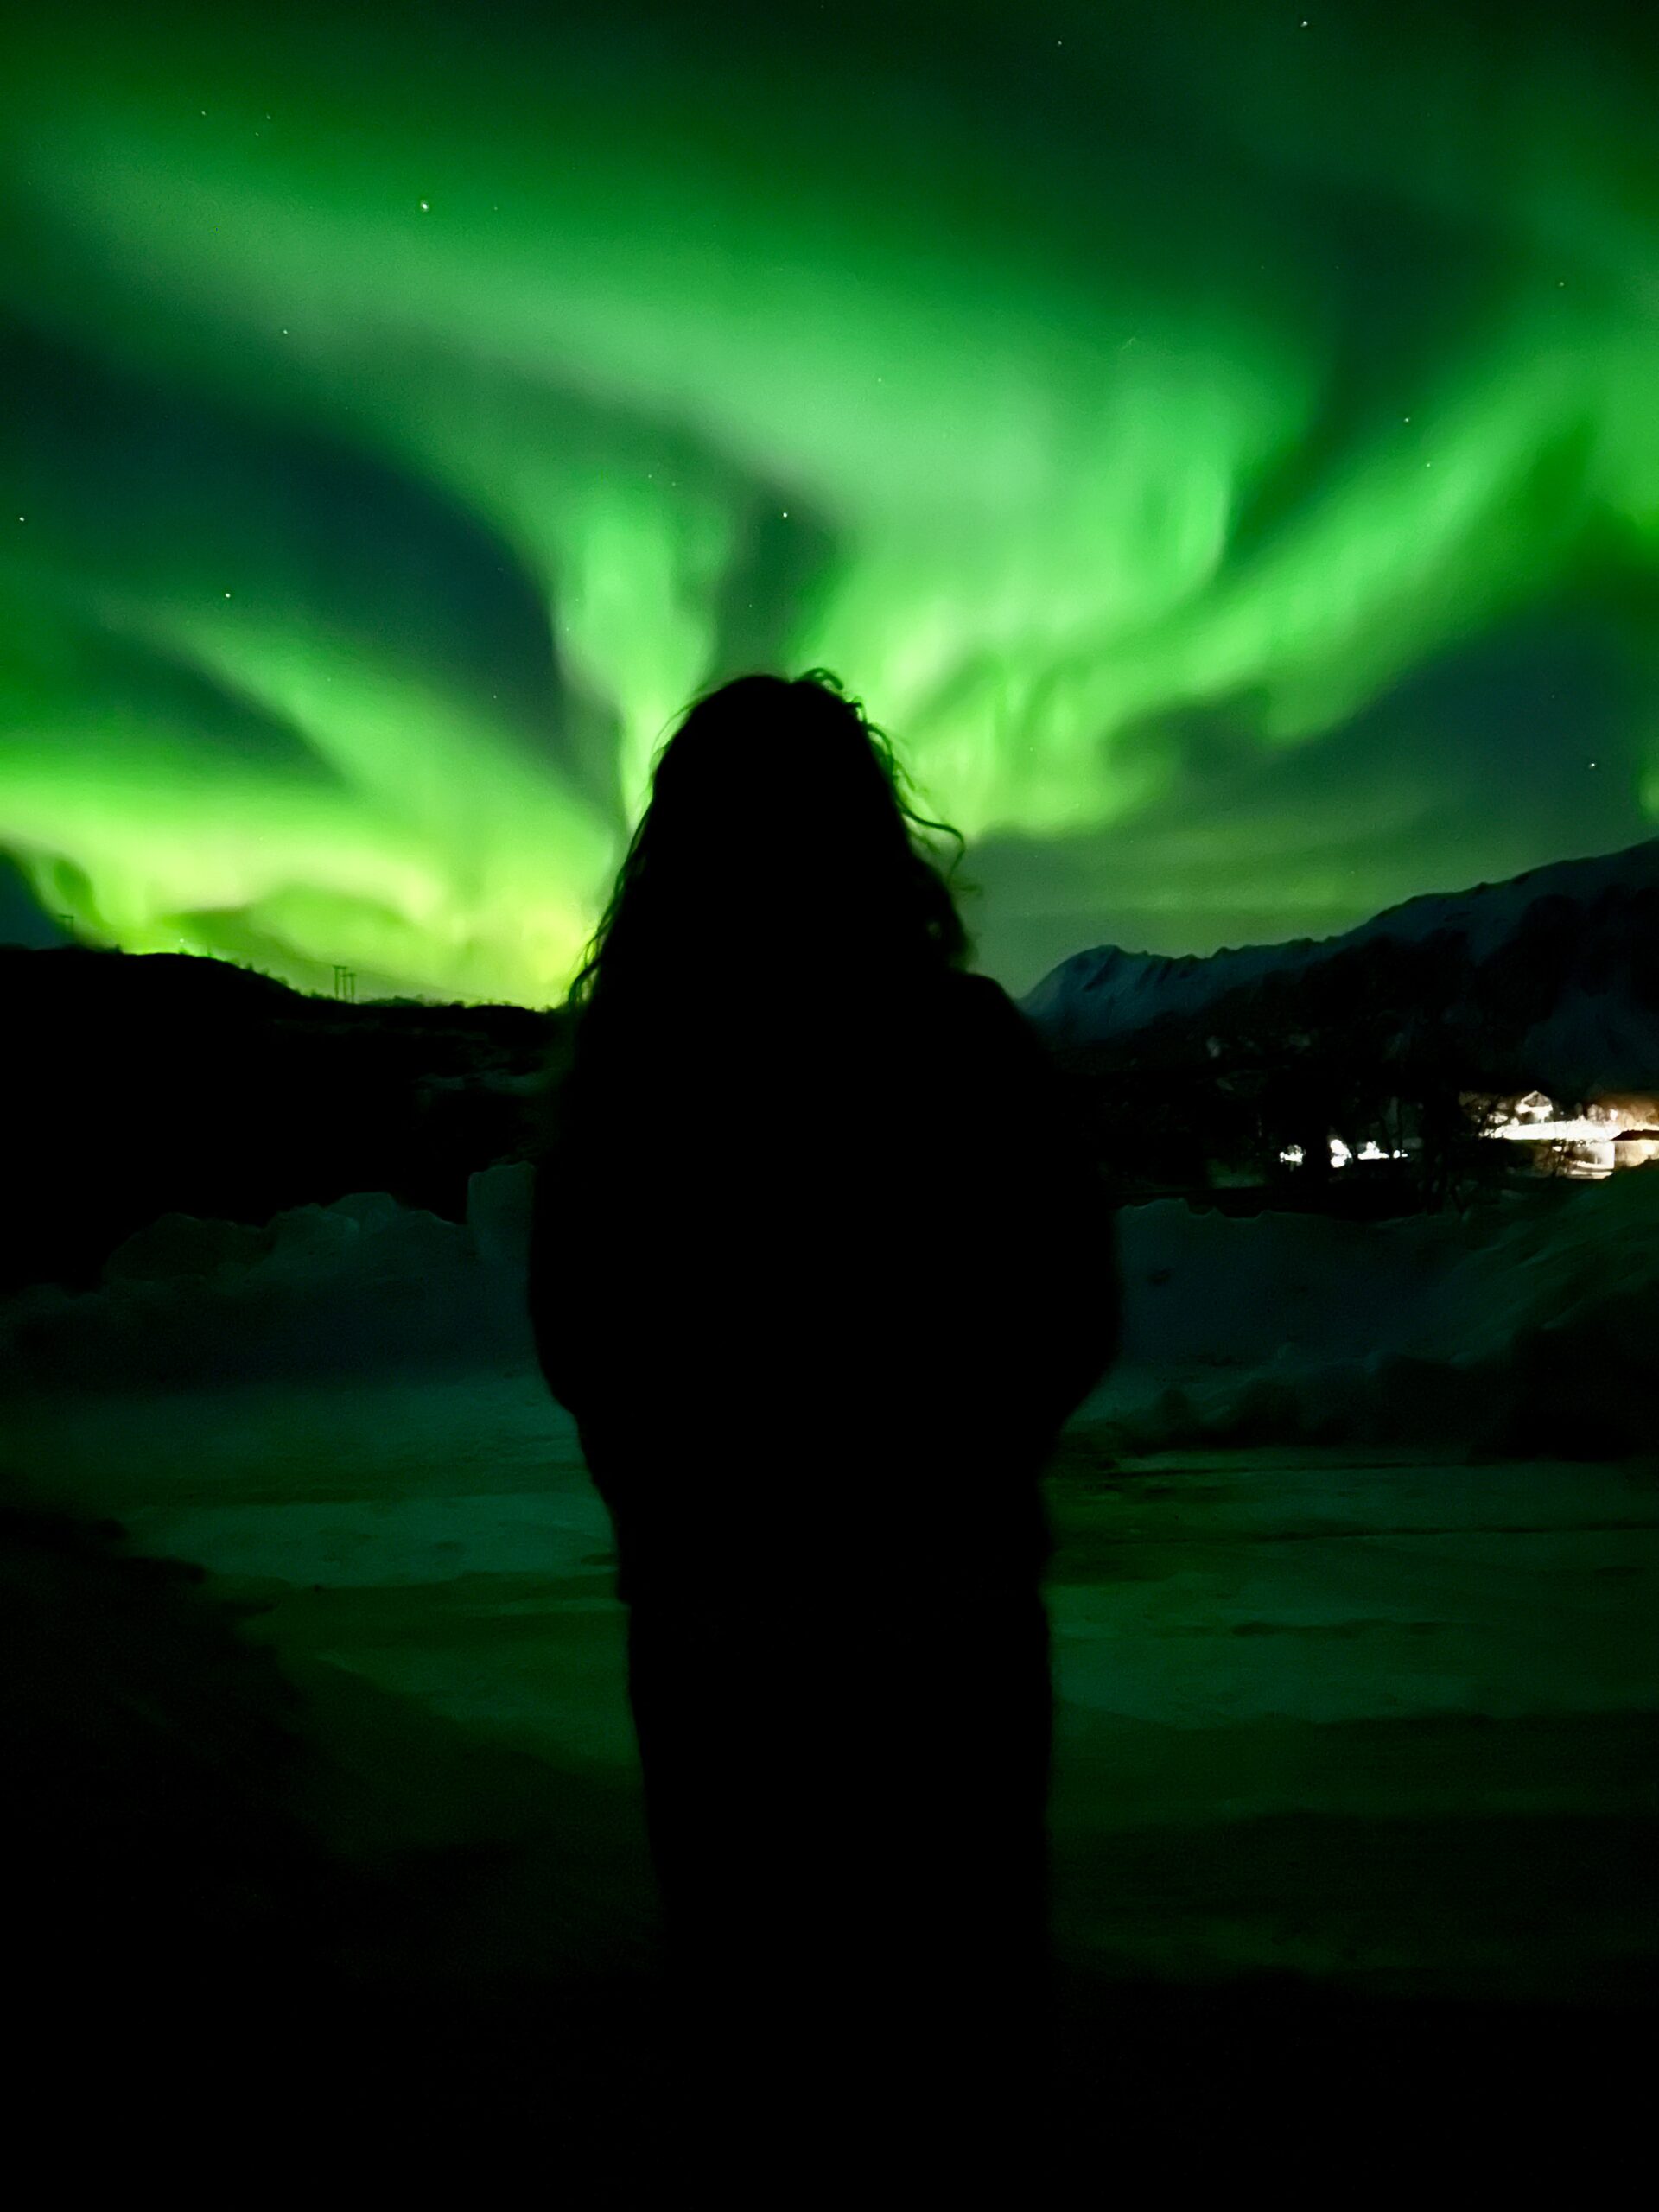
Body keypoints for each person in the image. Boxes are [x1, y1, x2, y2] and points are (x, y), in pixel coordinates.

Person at [526, 671, 1117, 2189]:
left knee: (759, 2030)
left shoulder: (636, 1081)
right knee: (954, 2034)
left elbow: (582, 1334)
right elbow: (1068, 1306)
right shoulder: (966, 1051)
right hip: (948, 1626)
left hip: (718, 1635)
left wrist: (683, 1504)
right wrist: (956, 1469)